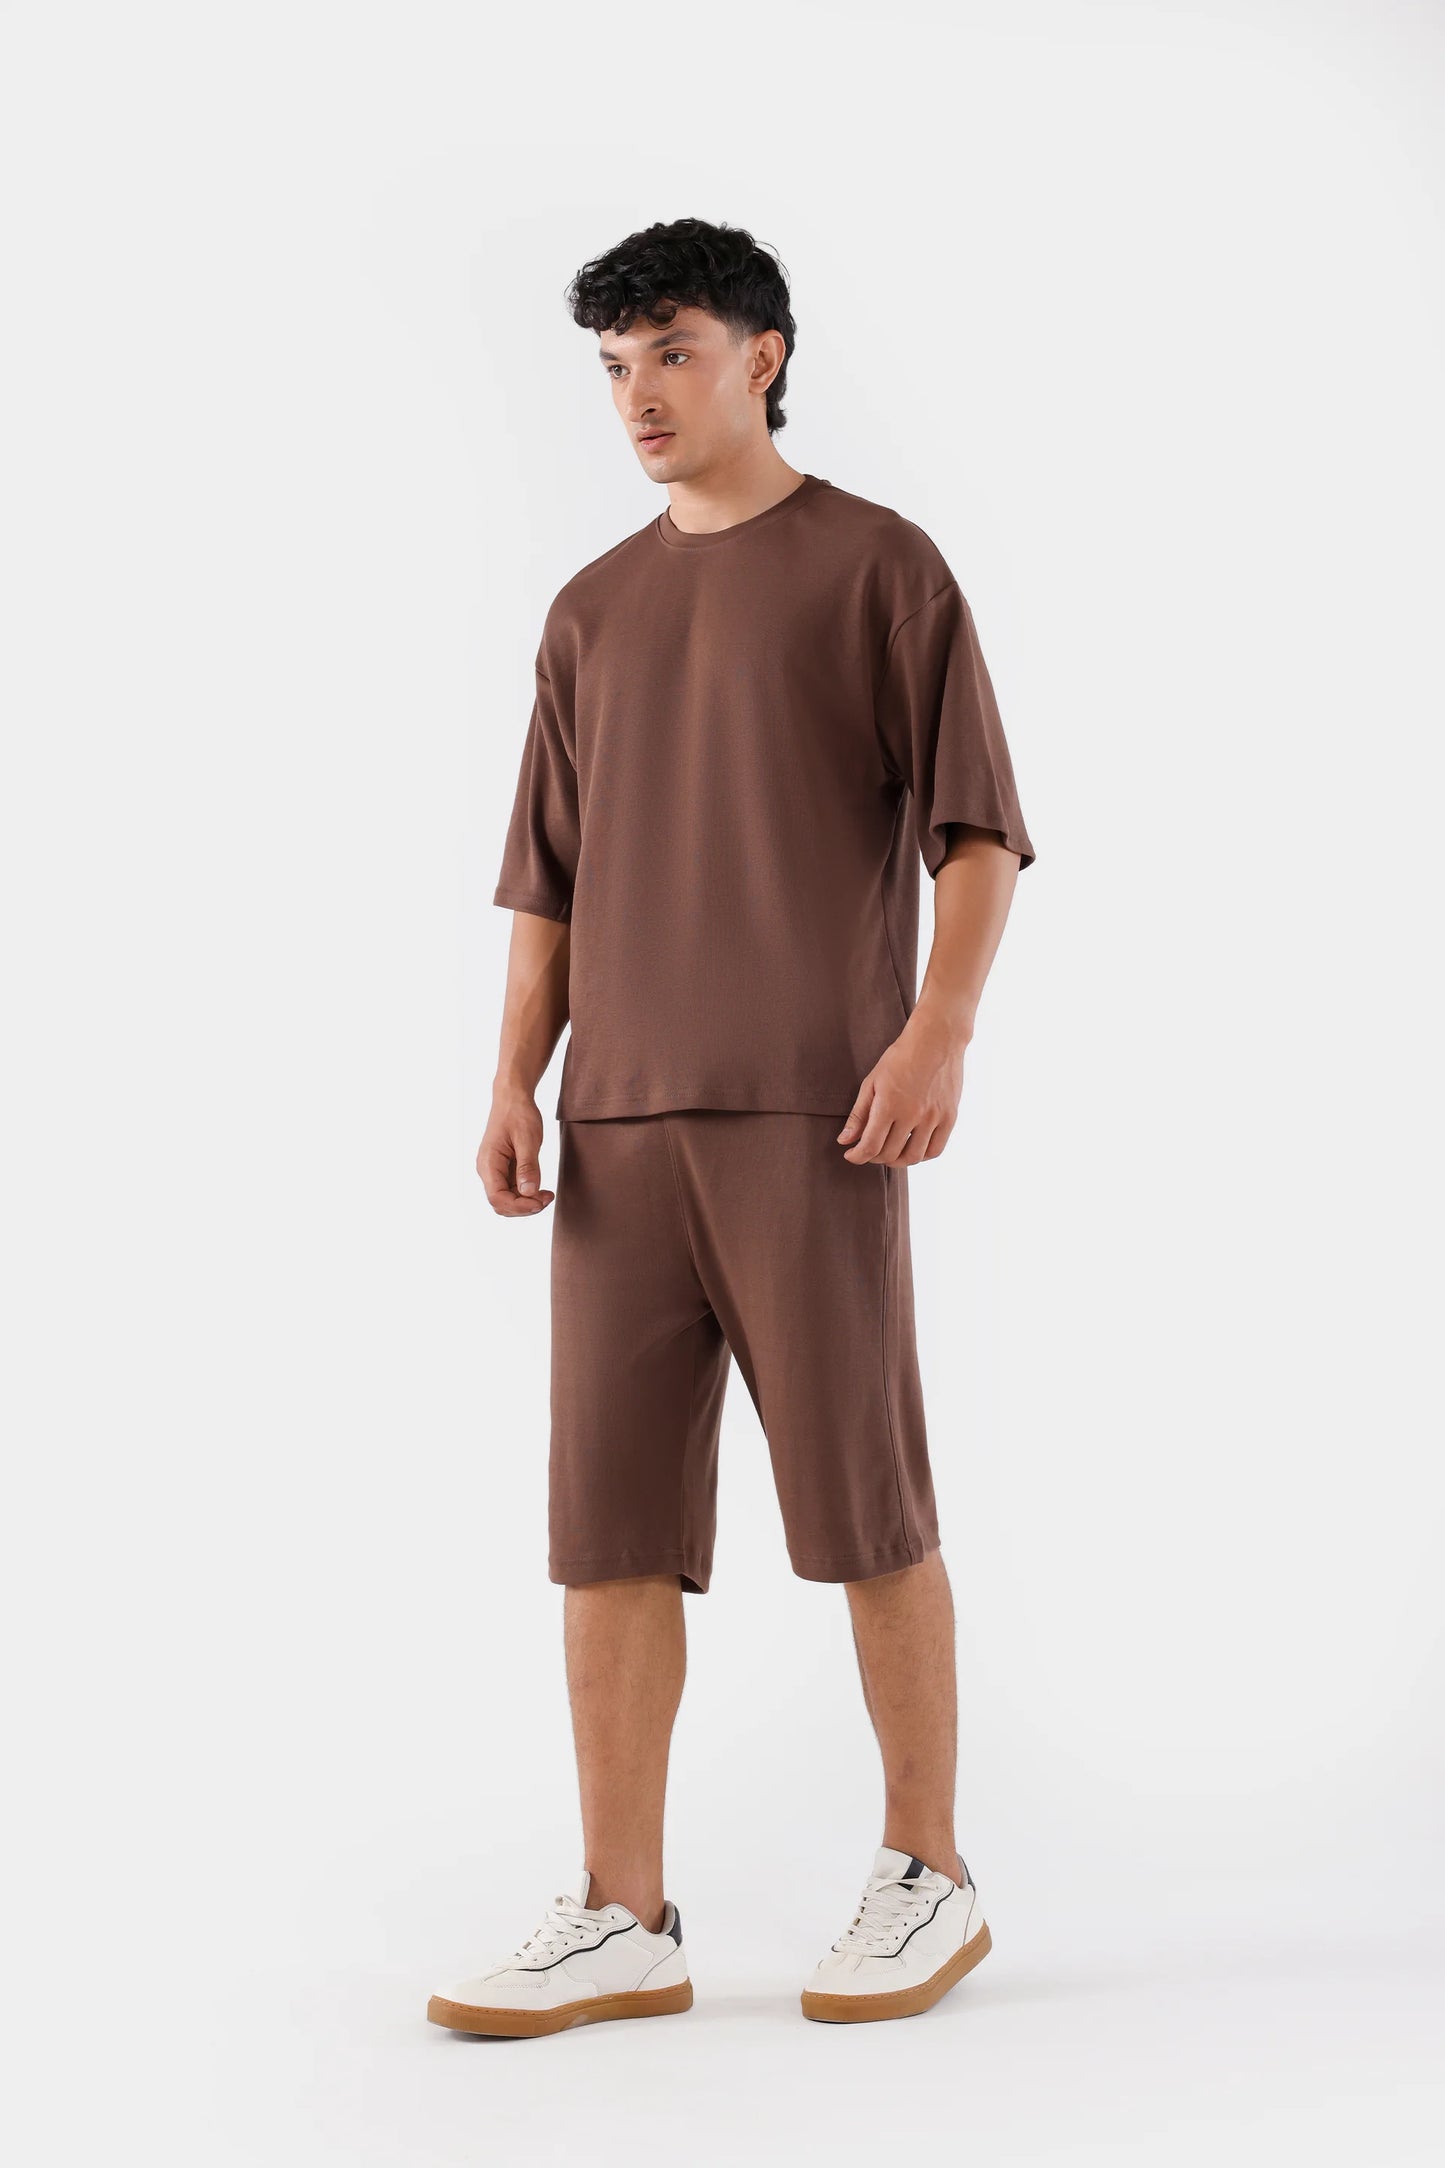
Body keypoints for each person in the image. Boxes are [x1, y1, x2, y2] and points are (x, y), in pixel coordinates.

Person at [427, 217, 1035, 2038]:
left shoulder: (878, 569)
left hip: (813, 1116)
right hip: (617, 1126)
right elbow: (547, 881)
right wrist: (513, 1075)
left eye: (671, 354)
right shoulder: (588, 611)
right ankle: (624, 1914)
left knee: (864, 1501)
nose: (638, 396)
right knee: (603, 1527)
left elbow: (976, 831)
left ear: (761, 356)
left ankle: (926, 1872)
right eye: (615, 366)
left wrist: (937, 1028)